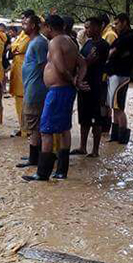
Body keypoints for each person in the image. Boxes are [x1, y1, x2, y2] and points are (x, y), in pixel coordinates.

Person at [24, 15, 87, 181]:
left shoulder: (55, 42)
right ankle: (61, 170)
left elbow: (59, 66)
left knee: (46, 130)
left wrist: (72, 79)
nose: (43, 31)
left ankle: (43, 172)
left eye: (45, 27)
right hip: (65, 90)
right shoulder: (71, 41)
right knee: (64, 129)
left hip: (58, 90)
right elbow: (83, 63)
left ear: (49, 27)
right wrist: (78, 80)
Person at [72, 17, 110, 157]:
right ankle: (82, 147)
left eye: (88, 27)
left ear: (98, 27)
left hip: (96, 87)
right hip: (84, 86)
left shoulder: (103, 45)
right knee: (84, 118)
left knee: (96, 120)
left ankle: (95, 150)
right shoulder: (88, 43)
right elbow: (80, 63)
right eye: (85, 27)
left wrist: (85, 62)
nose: (86, 30)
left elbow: (85, 63)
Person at [17, 14, 49, 168]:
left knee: (34, 124)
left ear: (34, 26)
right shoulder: (33, 42)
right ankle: (34, 156)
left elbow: (45, 67)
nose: (23, 26)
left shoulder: (39, 43)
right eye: (22, 23)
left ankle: (34, 159)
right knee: (32, 124)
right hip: (31, 87)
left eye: (26, 23)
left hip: (36, 90)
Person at [105, 13, 133, 144]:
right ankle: (115, 136)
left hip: (121, 75)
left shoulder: (129, 37)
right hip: (116, 74)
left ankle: (122, 137)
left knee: (119, 107)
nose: (116, 26)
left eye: (117, 23)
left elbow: (112, 51)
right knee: (114, 106)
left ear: (124, 22)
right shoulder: (123, 36)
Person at [8, 22, 32, 137]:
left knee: (24, 101)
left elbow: (20, 47)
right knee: (18, 100)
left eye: (25, 21)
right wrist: (15, 47)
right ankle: (22, 127)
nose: (23, 24)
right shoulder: (22, 34)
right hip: (17, 70)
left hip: (23, 71)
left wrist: (16, 47)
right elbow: (13, 47)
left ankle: (27, 129)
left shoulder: (29, 36)